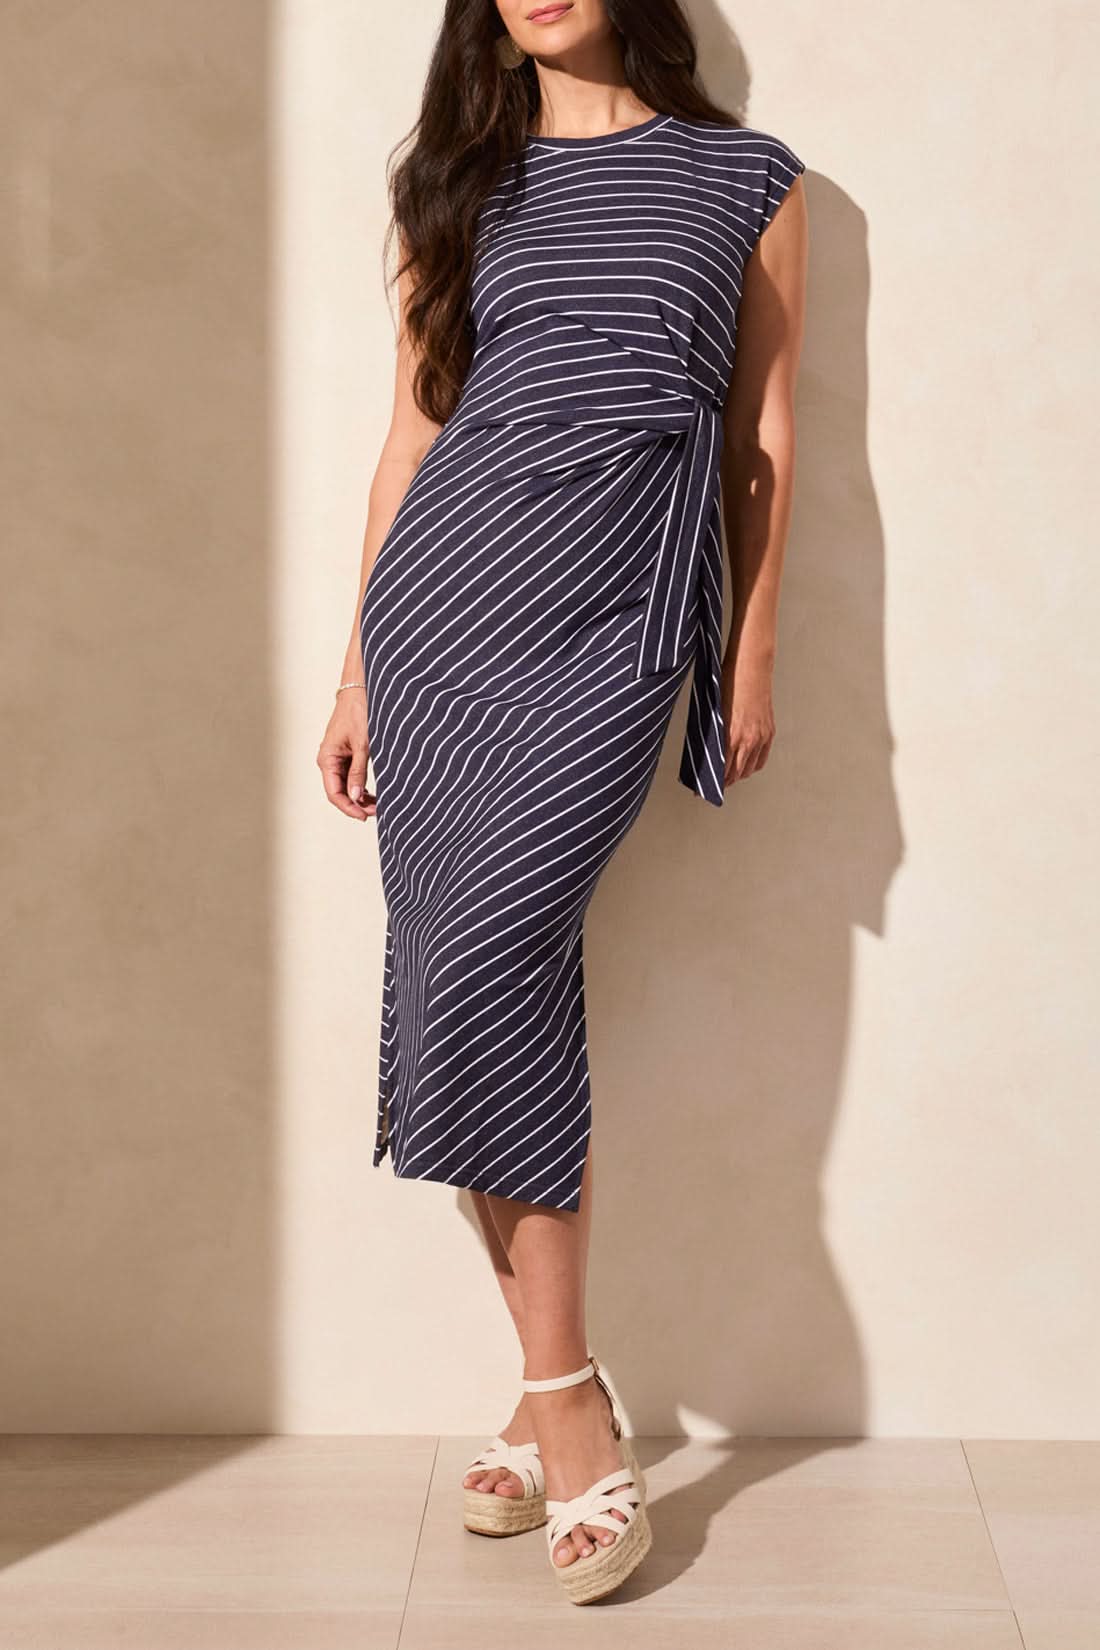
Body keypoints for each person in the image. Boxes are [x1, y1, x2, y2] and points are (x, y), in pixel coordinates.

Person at [316, 0, 808, 1606]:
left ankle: (554, 1397)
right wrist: (354, 671)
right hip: (446, 612)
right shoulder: (455, 182)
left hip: (613, 618)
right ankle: (564, 1402)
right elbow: (410, 440)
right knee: (465, 974)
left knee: (496, 956)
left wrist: (747, 649)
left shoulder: (746, 180)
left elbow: (761, 444)